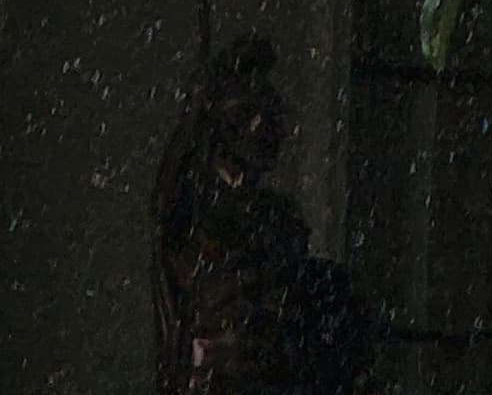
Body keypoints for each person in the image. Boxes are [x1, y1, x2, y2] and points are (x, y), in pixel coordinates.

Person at [150, 33, 369, 395]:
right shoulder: (196, 214)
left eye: (270, 113)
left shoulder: (276, 219)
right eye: (248, 114)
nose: (265, 127)